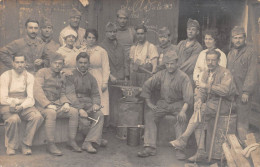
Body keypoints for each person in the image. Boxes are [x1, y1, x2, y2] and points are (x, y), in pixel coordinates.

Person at [170, 49, 237, 162]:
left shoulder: (225, 72)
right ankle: (201, 152)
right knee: (199, 115)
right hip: (211, 104)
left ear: (219, 60)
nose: (210, 62)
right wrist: (199, 100)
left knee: (200, 111)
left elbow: (225, 91)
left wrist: (206, 86)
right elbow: (202, 91)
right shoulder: (206, 72)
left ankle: (183, 138)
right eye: (208, 60)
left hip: (225, 104)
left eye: (213, 60)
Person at [137, 50, 193, 159]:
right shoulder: (161, 74)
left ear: (177, 63)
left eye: (172, 63)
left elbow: (188, 97)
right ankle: (150, 147)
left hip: (178, 104)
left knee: (181, 118)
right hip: (163, 103)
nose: (170, 66)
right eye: (167, 64)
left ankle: (180, 149)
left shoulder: (184, 77)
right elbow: (147, 85)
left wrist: (182, 111)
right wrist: (149, 103)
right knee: (150, 115)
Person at [34, 53, 81, 156]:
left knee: (73, 111)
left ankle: (71, 140)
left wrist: (65, 103)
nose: (57, 66)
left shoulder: (61, 75)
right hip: (41, 105)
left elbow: (62, 92)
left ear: (63, 65)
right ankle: (50, 144)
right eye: (55, 63)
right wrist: (47, 104)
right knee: (51, 113)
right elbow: (37, 91)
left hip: (56, 104)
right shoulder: (42, 72)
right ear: (50, 63)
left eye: (60, 64)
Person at [0, 54, 44, 155]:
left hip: (23, 104)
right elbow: (2, 98)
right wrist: (14, 103)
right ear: (13, 63)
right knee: (13, 119)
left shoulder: (29, 76)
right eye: (17, 62)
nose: (20, 65)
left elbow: (30, 98)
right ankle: (11, 146)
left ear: (25, 63)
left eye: (22, 62)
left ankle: (26, 144)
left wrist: (22, 106)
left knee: (37, 117)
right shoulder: (5, 76)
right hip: (8, 104)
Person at [66, 52, 107, 154]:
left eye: (85, 63)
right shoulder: (70, 76)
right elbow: (70, 95)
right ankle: (95, 139)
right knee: (84, 122)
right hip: (75, 105)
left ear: (89, 64)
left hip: (88, 105)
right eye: (80, 62)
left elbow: (95, 94)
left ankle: (88, 142)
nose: (83, 65)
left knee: (99, 115)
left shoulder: (92, 78)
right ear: (76, 63)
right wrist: (80, 109)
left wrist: (96, 104)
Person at [227, 26, 257, 143]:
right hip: (231, 93)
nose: (237, 40)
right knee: (232, 120)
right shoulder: (230, 53)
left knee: (242, 121)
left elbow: (252, 72)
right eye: (235, 38)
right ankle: (233, 146)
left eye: (240, 38)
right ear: (232, 39)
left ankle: (243, 148)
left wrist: (246, 91)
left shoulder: (250, 52)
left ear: (244, 38)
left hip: (243, 94)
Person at [100, 22, 129, 127]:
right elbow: (102, 64)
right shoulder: (102, 47)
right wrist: (110, 76)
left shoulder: (120, 46)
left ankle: (117, 124)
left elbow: (125, 61)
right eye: (110, 32)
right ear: (106, 33)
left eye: (114, 31)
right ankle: (106, 125)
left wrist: (126, 76)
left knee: (118, 101)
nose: (112, 34)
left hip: (120, 79)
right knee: (107, 102)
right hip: (108, 79)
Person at [80, 29, 110, 119]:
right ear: (85, 38)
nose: (91, 40)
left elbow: (106, 67)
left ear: (96, 40)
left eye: (93, 38)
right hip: (84, 76)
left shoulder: (101, 51)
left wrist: (105, 82)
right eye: (89, 37)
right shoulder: (82, 50)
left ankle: (100, 120)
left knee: (99, 97)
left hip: (98, 76)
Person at [176, 18, 203, 86]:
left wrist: (175, 72)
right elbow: (174, 57)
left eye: (193, 29)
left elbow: (190, 65)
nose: (190, 31)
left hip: (187, 78)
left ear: (197, 32)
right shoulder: (181, 43)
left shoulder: (198, 47)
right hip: (175, 75)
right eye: (189, 29)